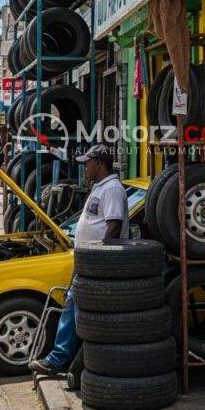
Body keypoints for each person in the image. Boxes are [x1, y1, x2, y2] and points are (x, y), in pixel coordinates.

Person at [29, 144, 129, 376]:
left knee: (75, 309)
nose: (84, 168)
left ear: (98, 163)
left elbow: (113, 227)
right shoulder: (100, 187)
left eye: (86, 164)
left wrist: (97, 261)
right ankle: (65, 360)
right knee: (73, 308)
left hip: (98, 265)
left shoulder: (112, 189)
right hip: (86, 262)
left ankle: (60, 360)